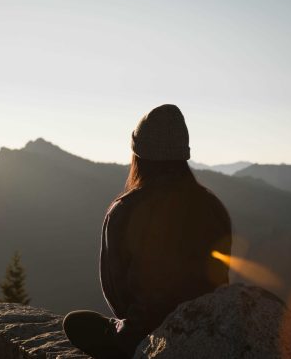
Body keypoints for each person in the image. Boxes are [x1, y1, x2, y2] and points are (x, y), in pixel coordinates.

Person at [62, 104, 232, 358]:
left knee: (76, 323)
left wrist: (130, 330)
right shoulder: (212, 207)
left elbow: (116, 290)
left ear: (138, 155)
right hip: (209, 329)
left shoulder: (124, 210)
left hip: (144, 338)